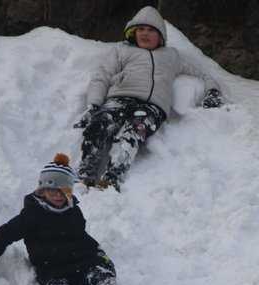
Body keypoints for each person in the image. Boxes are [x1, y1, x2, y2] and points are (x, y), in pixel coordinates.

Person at [0, 153, 145, 285]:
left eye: (62, 190)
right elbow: (6, 233)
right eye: (51, 190)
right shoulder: (31, 215)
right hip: (54, 272)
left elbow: (82, 237)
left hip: (83, 265)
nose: (57, 195)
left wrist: (100, 254)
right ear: (42, 190)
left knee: (104, 281)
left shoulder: (73, 211)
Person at [73, 5, 224, 190]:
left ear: (160, 36)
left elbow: (203, 75)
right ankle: (85, 175)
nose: (145, 33)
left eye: (151, 30)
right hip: (119, 99)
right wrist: (94, 105)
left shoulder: (172, 56)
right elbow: (102, 76)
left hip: (151, 108)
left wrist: (213, 91)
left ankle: (110, 180)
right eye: (141, 29)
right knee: (99, 124)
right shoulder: (122, 50)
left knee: (130, 136)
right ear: (133, 33)